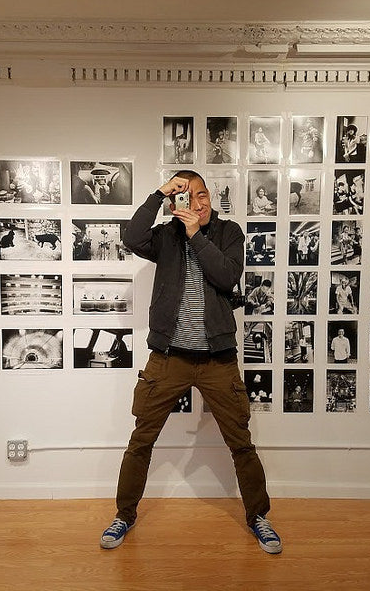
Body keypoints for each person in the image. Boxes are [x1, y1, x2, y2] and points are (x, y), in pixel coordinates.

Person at [100, 170, 281, 554]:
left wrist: (197, 233)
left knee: (241, 443)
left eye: (201, 195)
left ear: (209, 196)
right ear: (173, 202)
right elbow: (131, 236)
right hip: (169, 357)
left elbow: (227, 274)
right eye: (184, 196)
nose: (196, 203)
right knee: (141, 439)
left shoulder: (229, 232)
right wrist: (159, 194)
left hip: (217, 359)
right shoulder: (165, 236)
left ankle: (258, 517)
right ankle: (123, 515)